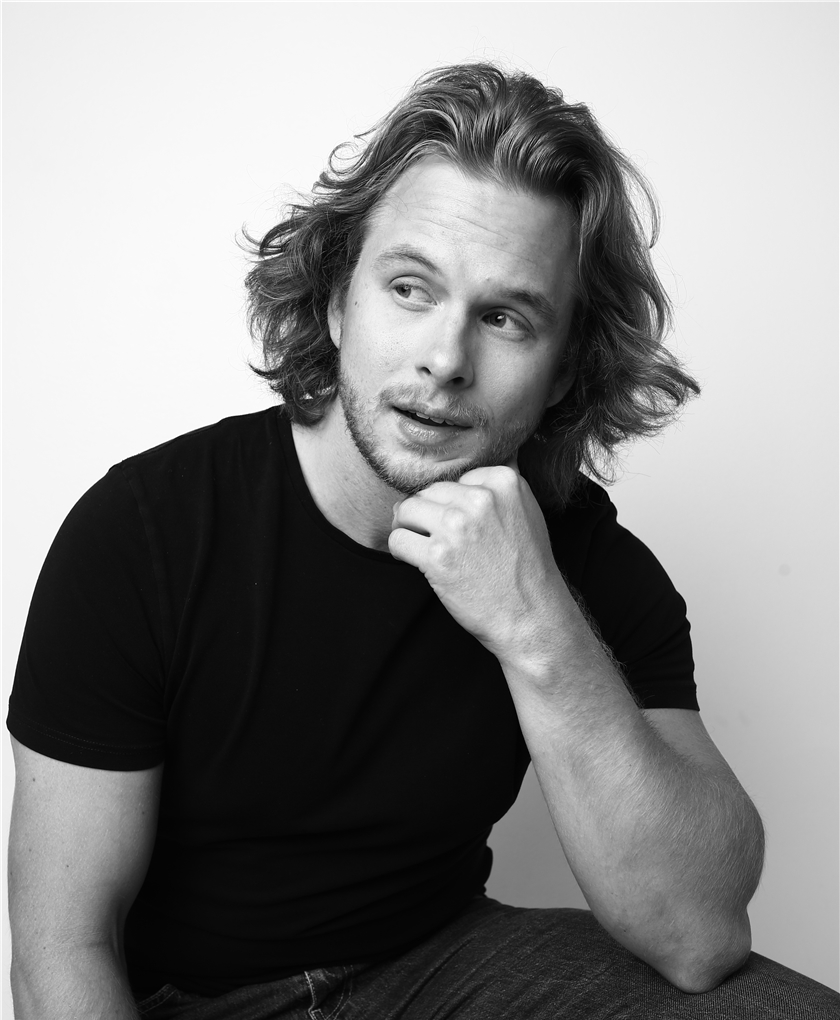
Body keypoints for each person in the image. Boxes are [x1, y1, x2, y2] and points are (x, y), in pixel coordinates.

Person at [7, 63, 838, 1020]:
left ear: (565, 369)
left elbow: (698, 938)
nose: (445, 359)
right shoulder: (142, 533)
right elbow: (61, 950)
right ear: (336, 302)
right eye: (410, 288)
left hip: (436, 966)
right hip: (190, 1001)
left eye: (505, 317)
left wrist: (537, 626)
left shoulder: (589, 567)